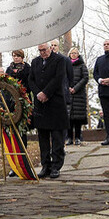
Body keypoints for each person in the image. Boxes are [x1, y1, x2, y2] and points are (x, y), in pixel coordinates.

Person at [28, 42, 67, 178]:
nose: (42, 53)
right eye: (40, 50)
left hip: (55, 102)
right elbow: (31, 80)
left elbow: (59, 78)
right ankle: (46, 165)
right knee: (43, 137)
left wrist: (46, 93)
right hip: (40, 104)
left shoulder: (59, 60)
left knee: (57, 137)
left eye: (44, 50)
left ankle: (56, 165)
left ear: (50, 48)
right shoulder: (35, 62)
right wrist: (38, 93)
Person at [66, 47, 89, 145]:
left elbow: (85, 78)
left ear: (78, 55)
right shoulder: (66, 65)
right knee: (69, 118)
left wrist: (75, 88)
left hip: (79, 95)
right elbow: (63, 77)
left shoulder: (82, 65)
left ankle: (78, 137)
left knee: (78, 118)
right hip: (68, 94)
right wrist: (68, 88)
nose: (73, 54)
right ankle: (70, 138)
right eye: (72, 53)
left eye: (75, 53)